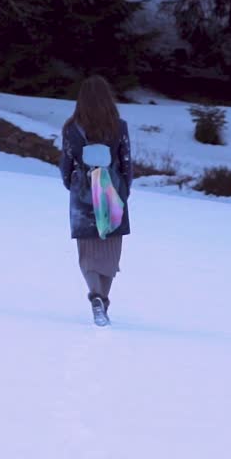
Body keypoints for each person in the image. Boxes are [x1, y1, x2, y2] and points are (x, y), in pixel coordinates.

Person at [60, 76, 133, 326]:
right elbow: (126, 164)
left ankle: (95, 297)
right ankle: (103, 299)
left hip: (83, 193)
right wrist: (123, 191)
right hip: (112, 191)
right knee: (111, 251)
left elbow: (66, 164)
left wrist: (75, 186)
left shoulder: (71, 129)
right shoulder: (119, 127)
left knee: (87, 251)